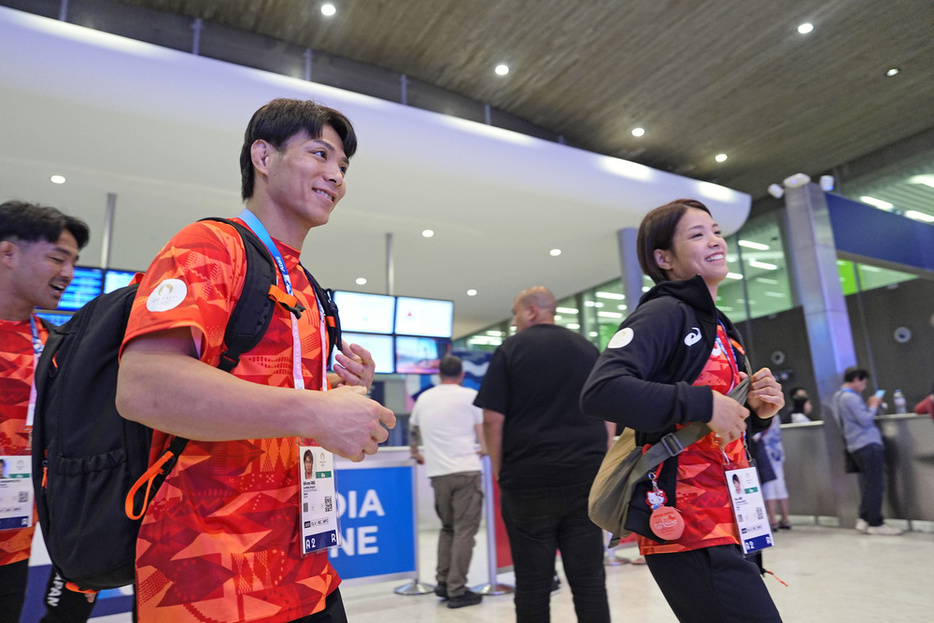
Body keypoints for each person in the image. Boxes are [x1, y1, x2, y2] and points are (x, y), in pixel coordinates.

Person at [114, 99, 397, 623]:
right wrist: (315, 411)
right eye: (320, 154)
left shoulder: (305, 285)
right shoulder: (209, 246)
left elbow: (279, 405)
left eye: (343, 166)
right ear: (263, 157)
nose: (336, 175)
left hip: (305, 570)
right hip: (206, 578)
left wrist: (337, 396)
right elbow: (143, 386)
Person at [580, 199, 785, 623]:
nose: (715, 241)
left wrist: (758, 411)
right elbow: (601, 390)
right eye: (697, 235)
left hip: (730, 520)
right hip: (688, 526)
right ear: (664, 258)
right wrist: (704, 401)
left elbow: (717, 431)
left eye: (715, 231)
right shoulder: (665, 312)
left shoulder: (721, 326)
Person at [474, 286, 613, 623]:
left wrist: (501, 471)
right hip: (585, 479)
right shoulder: (587, 348)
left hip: (528, 482)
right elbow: (608, 408)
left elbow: (492, 421)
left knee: (533, 584)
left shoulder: (510, 350)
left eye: (516, 313)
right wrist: (601, 461)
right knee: (590, 582)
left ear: (532, 312)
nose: (513, 321)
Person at [0, 200, 98, 623]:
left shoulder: (55, 348)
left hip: (12, 542)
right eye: (57, 258)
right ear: (7, 253)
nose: (68, 274)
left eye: (74, 262)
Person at [409, 355, 486, 609]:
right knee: (465, 530)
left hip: (438, 473)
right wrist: (484, 449)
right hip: (466, 471)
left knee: (448, 528)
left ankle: (443, 582)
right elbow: (481, 432)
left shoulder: (424, 398)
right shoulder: (469, 396)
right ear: (462, 374)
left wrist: (414, 452)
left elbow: (413, 429)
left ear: (438, 374)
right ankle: (457, 589)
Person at [831, 367, 902, 536]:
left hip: (854, 445)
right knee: (875, 485)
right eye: (863, 381)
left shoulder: (838, 397)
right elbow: (865, 421)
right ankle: (875, 523)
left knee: (867, 485)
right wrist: (873, 406)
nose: (864, 385)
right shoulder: (851, 398)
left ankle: (864, 518)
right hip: (867, 444)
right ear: (856, 379)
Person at [760, 396, 807, 530]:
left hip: (766, 455)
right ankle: (785, 519)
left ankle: (773, 521)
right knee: (780, 486)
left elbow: (757, 436)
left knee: (769, 487)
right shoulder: (776, 414)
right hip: (778, 454)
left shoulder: (763, 415)